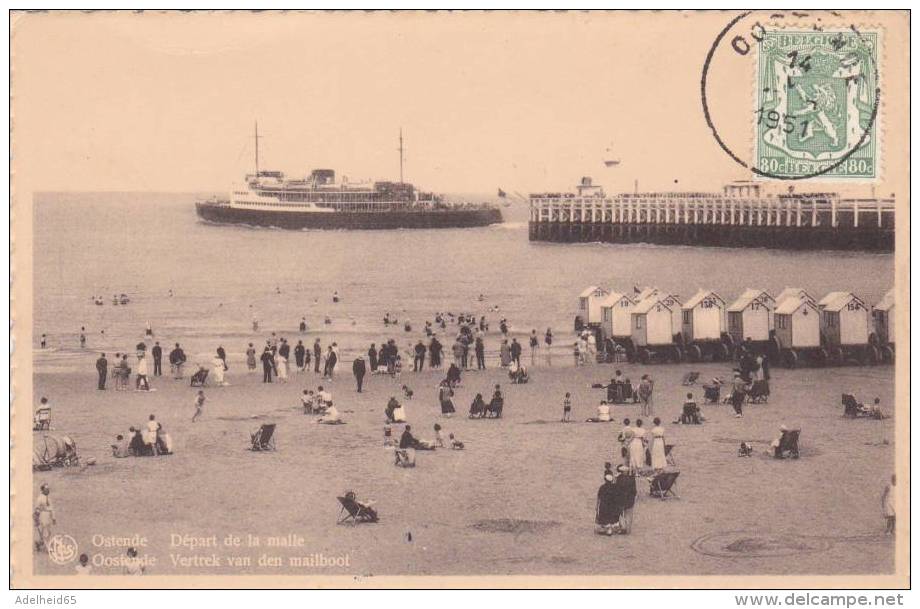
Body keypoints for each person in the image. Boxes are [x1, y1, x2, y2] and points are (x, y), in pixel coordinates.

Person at [615, 465, 638, 534]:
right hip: (630, 499)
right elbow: (634, 490)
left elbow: (617, 489)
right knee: (628, 514)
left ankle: (623, 527)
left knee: (620, 513)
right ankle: (628, 529)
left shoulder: (619, 479)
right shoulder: (632, 479)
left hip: (621, 499)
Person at [33, 483, 55, 552]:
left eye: (48, 489)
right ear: (42, 490)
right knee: (45, 532)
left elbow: (51, 508)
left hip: (49, 516)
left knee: (49, 532)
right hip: (43, 515)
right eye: (46, 489)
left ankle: (38, 543)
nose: (48, 490)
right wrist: (36, 519)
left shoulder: (49, 498)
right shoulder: (39, 498)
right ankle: (48, 548)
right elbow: (36, 508)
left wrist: (54, 518)